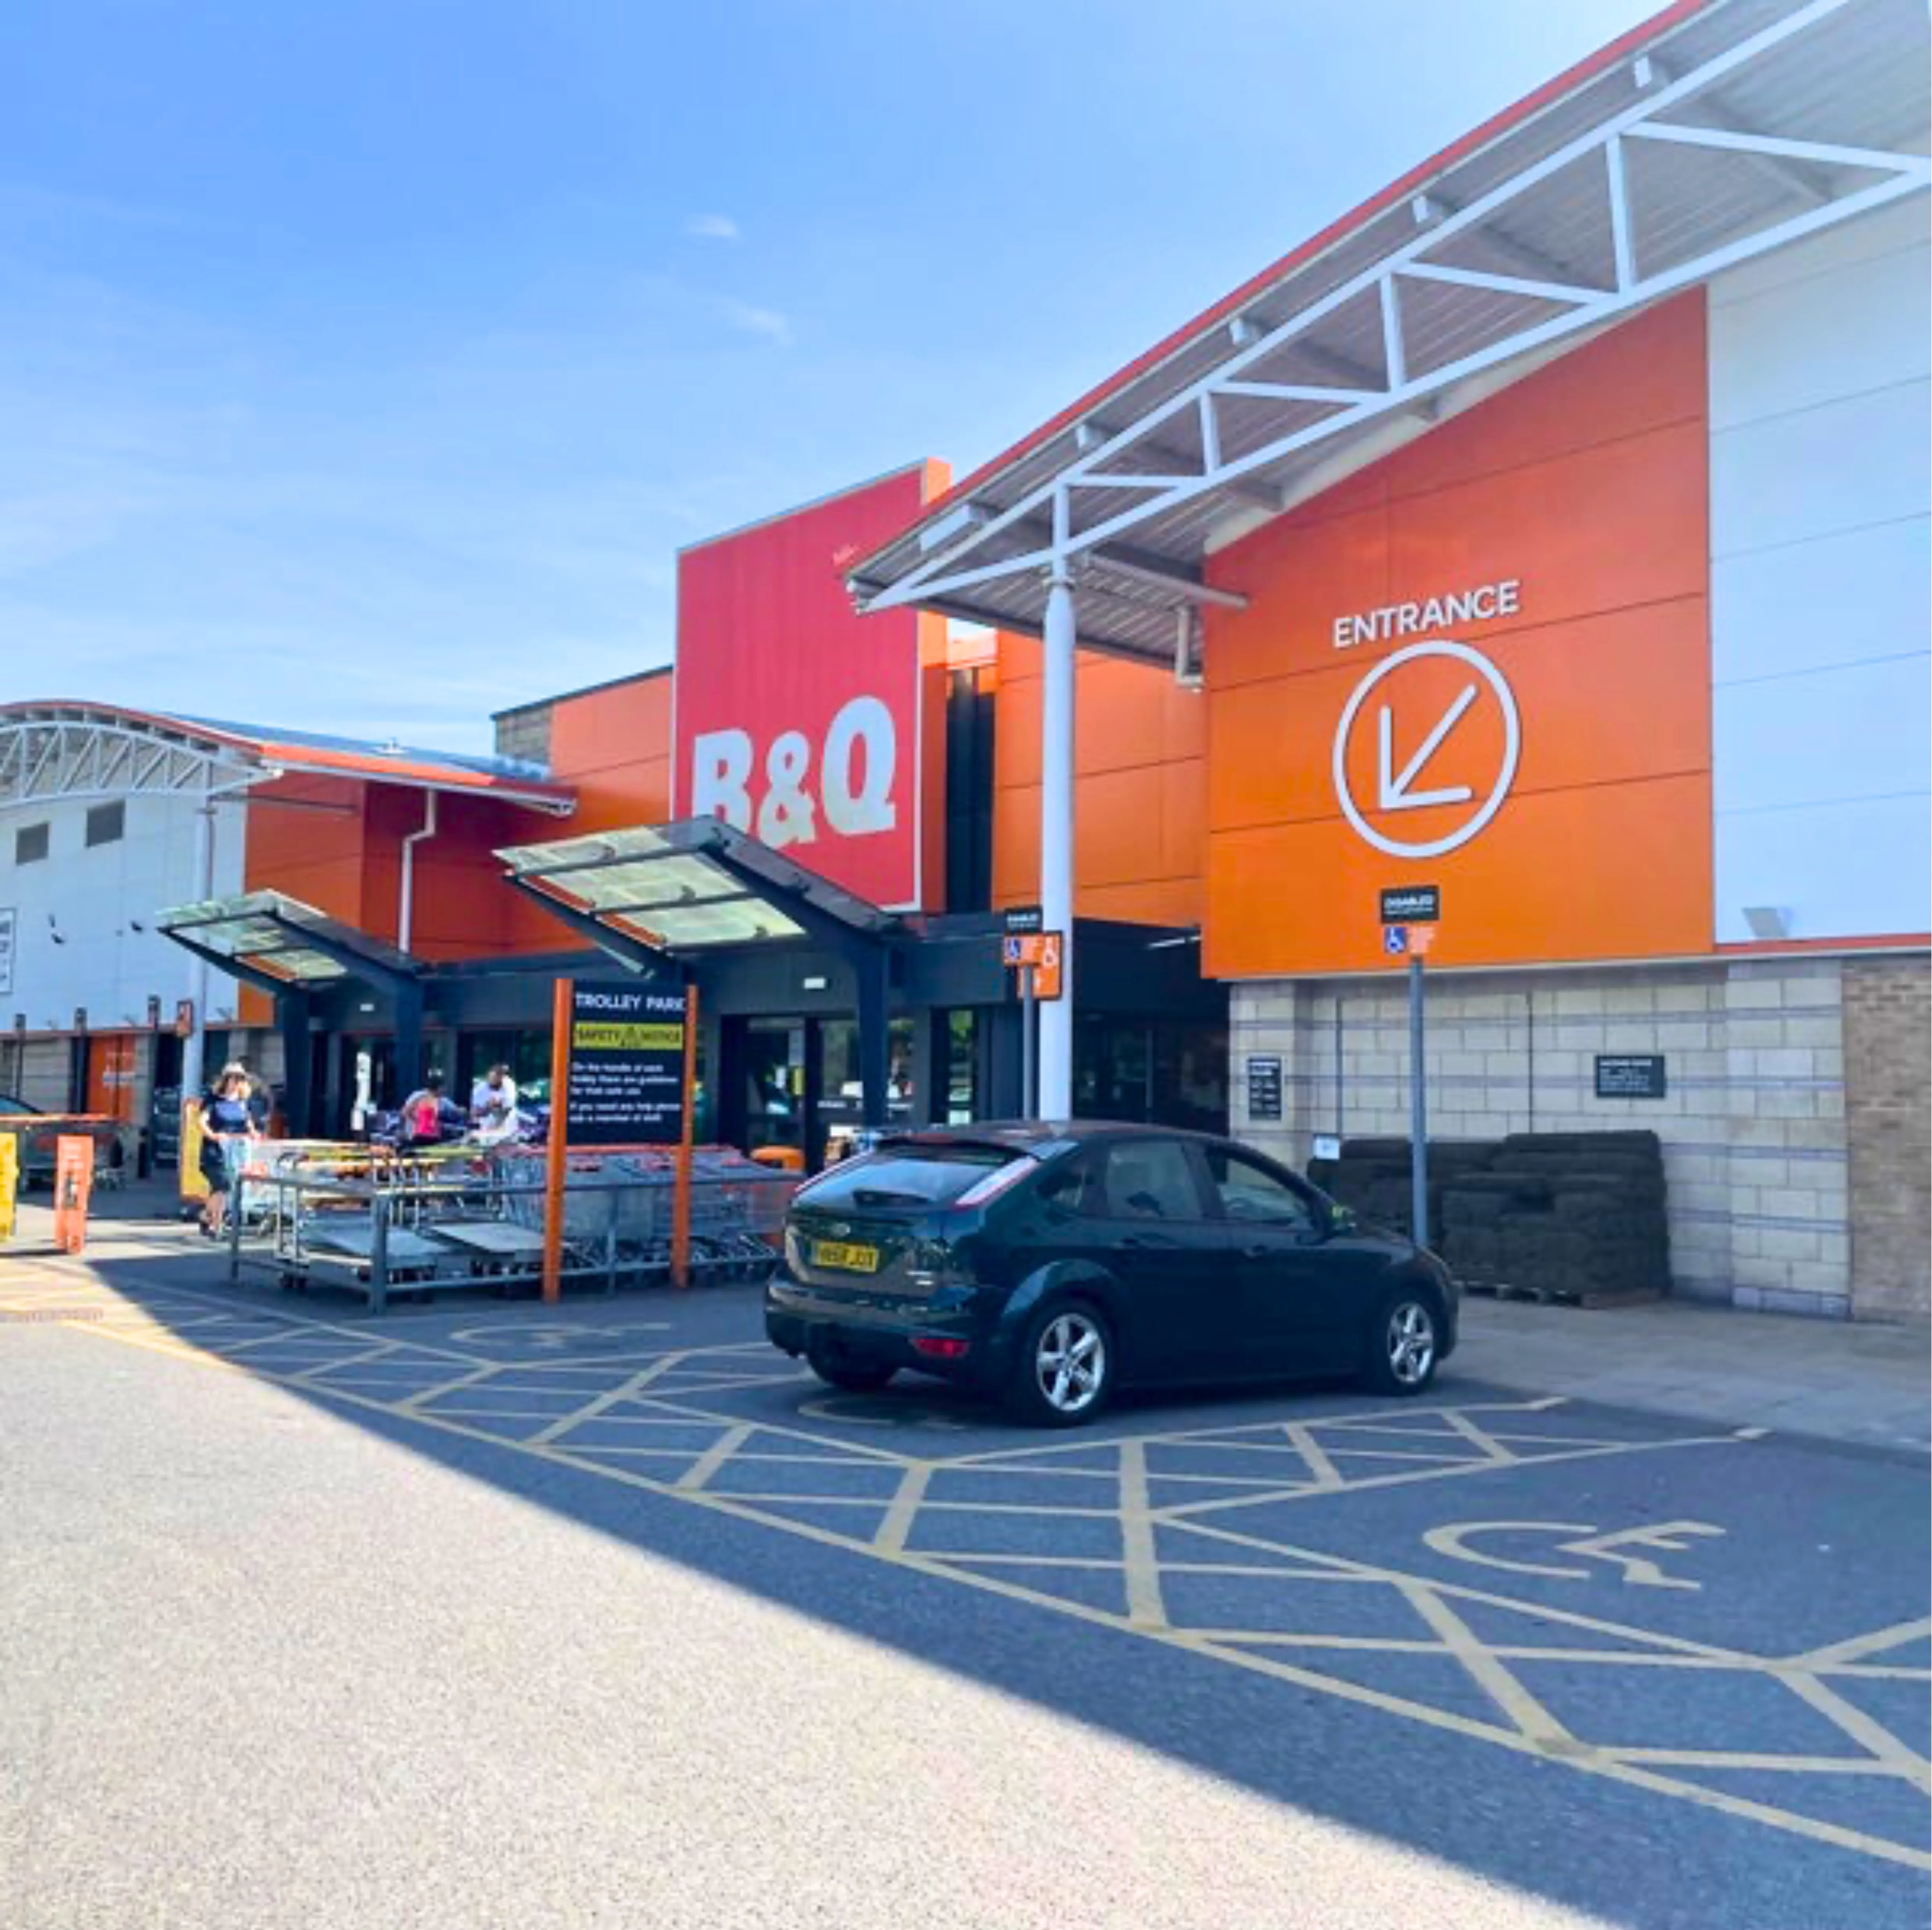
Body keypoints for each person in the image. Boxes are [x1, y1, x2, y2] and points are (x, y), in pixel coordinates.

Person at [196, 1062, 260, 1239]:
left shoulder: (243, 1101)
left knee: (221, 1188)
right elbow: (202, 1122)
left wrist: (253, 1133)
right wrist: (213, 1135)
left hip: (237, 1149)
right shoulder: (213, 1099)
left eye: (240, 1079)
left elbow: (248, 1122)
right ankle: (217, 1226)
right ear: (225, 1080)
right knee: (222, 1186)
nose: (236, 1082)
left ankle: (205, 1216)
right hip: (215, 1151)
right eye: (233, 1078)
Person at [399, 1069, 453, 1147]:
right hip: (418, 1135)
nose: (445, 1090)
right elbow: (405, 1112)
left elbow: (454, 1109)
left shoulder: (440, 1100)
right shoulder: (420, 1096)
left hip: (432, 1135)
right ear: (438, 1088)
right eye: (443, 1088)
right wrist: (417, 1121)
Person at [470, 1063, 520, 1146]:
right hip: (487, 1128)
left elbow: (508, 1108)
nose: (495, 1078)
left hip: (507, 1128)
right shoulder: (479, 1089)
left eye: (499, 1075)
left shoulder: (509, 1085)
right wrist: (488, 1106)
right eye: (493, 1076)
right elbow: (475, 1113)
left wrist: (498, 1104)